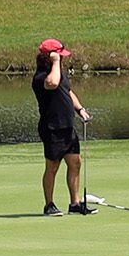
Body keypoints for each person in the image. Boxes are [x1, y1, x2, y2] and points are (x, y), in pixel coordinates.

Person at [34, 39, 91, 214]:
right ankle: (49, 205)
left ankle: (75, 204)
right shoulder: (41, 77)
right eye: (59, 55)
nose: (62, 58)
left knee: (75, 162)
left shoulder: (59, 73)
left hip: (67, 127)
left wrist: (80, 109)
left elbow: (67, 91)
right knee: (52, 167)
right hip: (52, 128)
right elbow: (53, 83)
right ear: (50, 57)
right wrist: (56, 62)